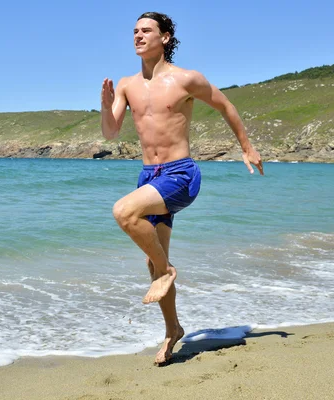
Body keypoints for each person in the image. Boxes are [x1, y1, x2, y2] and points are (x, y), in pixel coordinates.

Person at [100, 11, 264, 365]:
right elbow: (110, 132)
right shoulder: (128, 85)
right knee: (151, 259)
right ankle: (173, 330)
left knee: (124, 212)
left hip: (180, 174)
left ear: (166, 37)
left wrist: (247, 147)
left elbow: (226, 105)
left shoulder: (186, 79)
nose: (138, 36)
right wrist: (105, 105)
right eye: (134, 31)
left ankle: (168, 270)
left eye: (146, 31)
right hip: (148, 176)